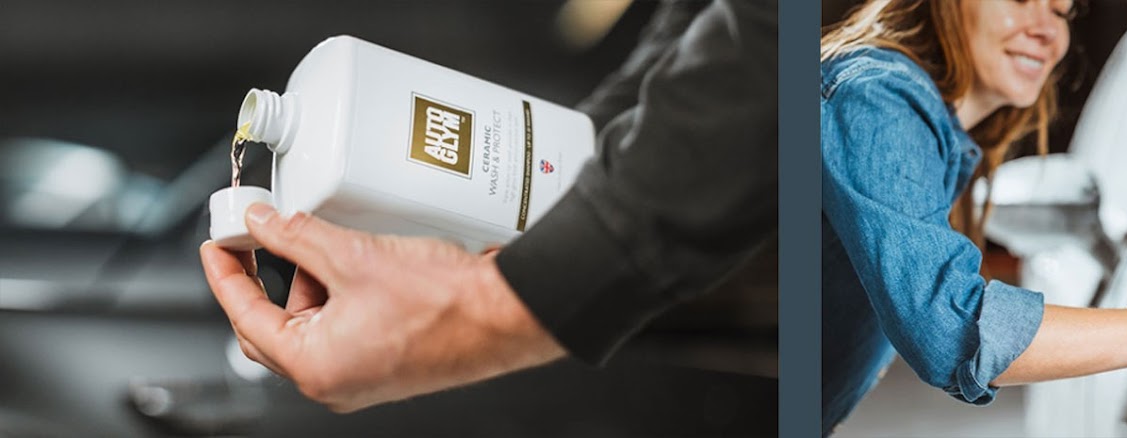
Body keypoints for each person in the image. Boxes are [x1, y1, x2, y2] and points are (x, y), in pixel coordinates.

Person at [200, 0, 776, 413]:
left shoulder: (334, 65)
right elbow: (711, 16)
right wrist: (603, 141)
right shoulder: (313, 155)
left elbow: (766, 37)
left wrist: (489, 312)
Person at [819, 0, 1127, 431]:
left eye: (1060, 12)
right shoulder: (875, 98)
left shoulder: (929, 132)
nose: (1046, 31)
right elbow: (952, 329)